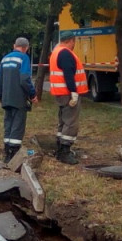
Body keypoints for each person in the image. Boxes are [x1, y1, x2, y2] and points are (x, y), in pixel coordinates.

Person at [0, 37, 38, 162]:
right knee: (18, 124)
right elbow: (25, 79)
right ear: (26, 48)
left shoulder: (5, 58)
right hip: (19, 97)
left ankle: (7, 151)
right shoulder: (23, 58)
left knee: (8, 123)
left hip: (6, 97)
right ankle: (14, 154)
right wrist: (32, 94)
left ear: (15, 46)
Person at [48, 33, 89, 164]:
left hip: (60, 93)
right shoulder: (65, 53)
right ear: (71, 41)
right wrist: (74, 92)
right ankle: (65, 151)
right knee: (71, 122)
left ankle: (60, 149)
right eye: (74, 42)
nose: (74, 44)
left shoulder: (56, 51)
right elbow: (69, 74)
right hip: (67, 93)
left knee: (63, 121)